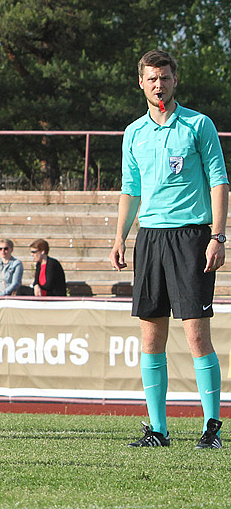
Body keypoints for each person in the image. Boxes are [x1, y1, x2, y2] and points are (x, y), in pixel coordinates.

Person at [109, 49, 228, 450]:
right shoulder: (133, 133)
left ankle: (212, 429)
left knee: (196, 336)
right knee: (151, 339)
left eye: (165, 77)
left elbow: (219, 183)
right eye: (151, 78)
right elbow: (131, 190)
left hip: (192, 238)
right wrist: (121, 236)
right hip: (151, 239)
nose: (159, 84)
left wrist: (218, 235)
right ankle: (158, 430)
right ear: (141, 83)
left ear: (176, 80)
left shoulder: (199, 125)